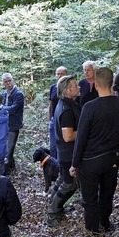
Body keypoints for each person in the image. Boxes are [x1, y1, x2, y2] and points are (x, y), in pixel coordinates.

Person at [70, 68, 119, 237]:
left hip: (90, 161)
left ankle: (93, 233)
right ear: (111, 83)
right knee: (107, 192)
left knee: (90, 198)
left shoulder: (89, 108)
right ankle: (105, 222)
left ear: (96, 84)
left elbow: (81, 138)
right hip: (112, 158)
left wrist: (74, 163)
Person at [47, 75, 82, 227]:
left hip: (64, 152)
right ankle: (53, 211)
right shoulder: (66, 109)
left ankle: (54, 204)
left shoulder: (65, 104)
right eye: (75, 86)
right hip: (68, 153)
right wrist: (85, 131)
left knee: (63, 179)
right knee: (69, 184)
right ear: (68, 91)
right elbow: (68, 136)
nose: (79, 87)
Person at [1, 73, 24, 173]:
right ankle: (12, 168)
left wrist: (1, 108)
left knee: (9, 148)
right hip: (5, 125)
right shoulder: (4, 94)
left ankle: (5, 172)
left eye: (9, 80)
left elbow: (13, 109)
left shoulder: (18, 94)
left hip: (14, 125)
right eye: (6, 82)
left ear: (13, 80)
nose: (8, 83)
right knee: (7, 147)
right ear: (3, 83)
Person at [48, 66, 68, 159]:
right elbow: (51, 104)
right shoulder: (53, 87)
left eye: (62, 74)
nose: (59, 76)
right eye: (58, 74)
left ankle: (62, 167)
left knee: (63, 145)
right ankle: (53, 166)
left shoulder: (69, 88)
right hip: (53, 121)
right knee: (52, 146)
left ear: (66, 75)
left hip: (64, 121)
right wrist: (50, 118)